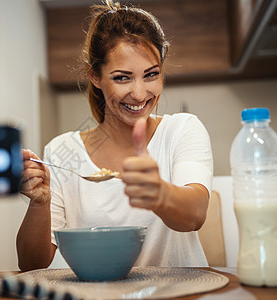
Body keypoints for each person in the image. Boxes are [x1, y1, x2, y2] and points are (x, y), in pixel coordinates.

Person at [17, 0, 213, 271]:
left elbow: (195, 215)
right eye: (122, 78)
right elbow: (32, 266)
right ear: (95, 77)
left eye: (151, 74)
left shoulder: (181, 130)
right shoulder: (64, 151)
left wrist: (157, 192)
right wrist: (39, 204)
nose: (140, 93)